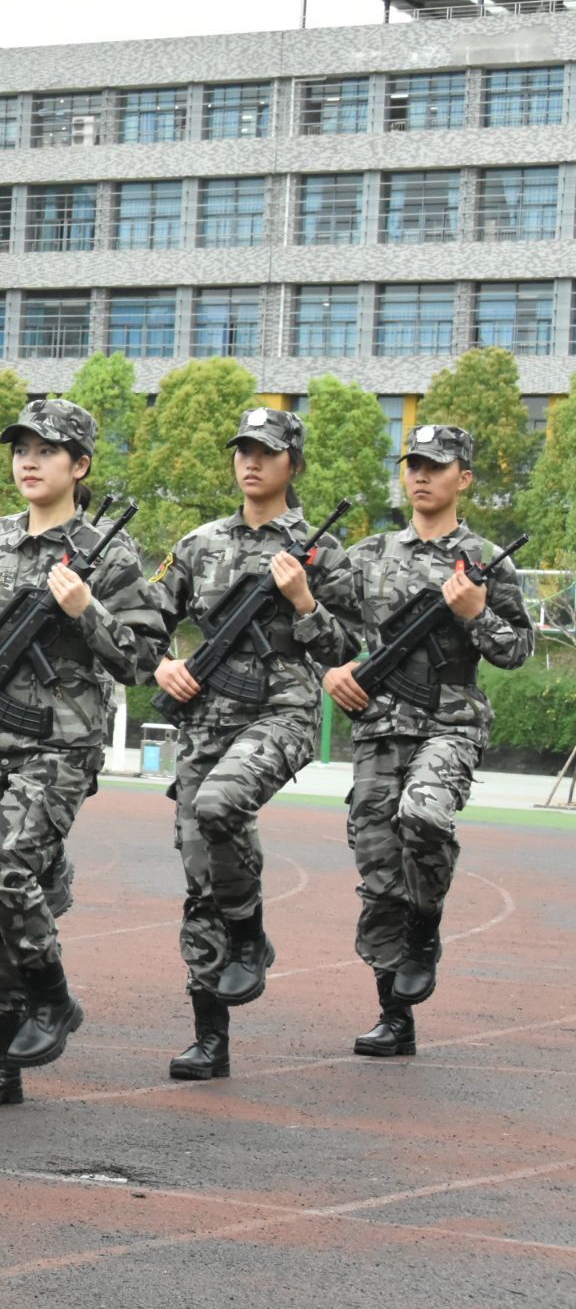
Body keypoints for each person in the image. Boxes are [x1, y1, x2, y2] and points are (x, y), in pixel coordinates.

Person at [0, 399, 162, 1108]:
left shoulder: (110, 552)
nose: (27, 461)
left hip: (60, 743)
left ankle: (53, 999)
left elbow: (143, 658)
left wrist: (85, 609)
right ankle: (1, 1064)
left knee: (1, 867)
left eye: (46, 450)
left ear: (80, 466)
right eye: (20, 448)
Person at [147, 407, 356, 1080]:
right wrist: (162, 665)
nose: (251, 462)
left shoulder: (323, 553)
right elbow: (142, 622)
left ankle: (248, 930)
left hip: (282, 712)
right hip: (206, 717)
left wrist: (303, 603)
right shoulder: (199, 543)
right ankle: (211, 1036)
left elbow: (352, 654)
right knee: (200, 872)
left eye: (266, 452)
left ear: (293, 462)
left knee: (220, 804)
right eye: (242, 450)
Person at [320, 422, 534, 1058]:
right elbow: (317, 627)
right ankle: (395, 1015)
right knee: (380, 871)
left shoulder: (487, 560)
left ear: (463, 478)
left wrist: (476, 614)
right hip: (381, 726)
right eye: (413, 463)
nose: (420, 475)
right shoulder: (370, 554)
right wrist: (331, 669)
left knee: (424, 815)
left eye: (436, 466)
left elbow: (518, 649)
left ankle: (428, 922)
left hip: (450, 721)